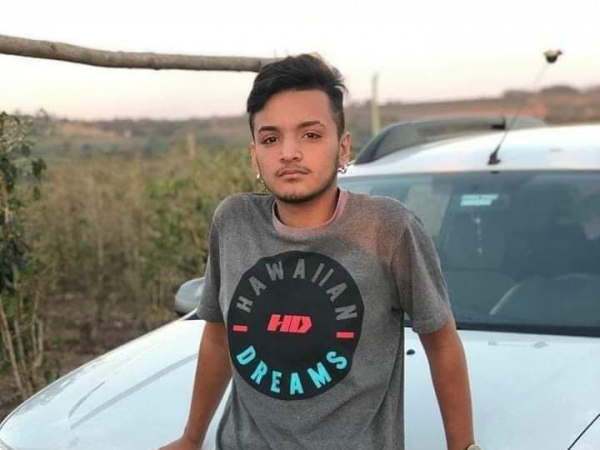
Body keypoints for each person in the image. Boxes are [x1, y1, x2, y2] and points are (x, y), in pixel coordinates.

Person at [159, 54, 478, 450]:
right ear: (254, 154)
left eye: (310, 135)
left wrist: (464, 447)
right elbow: (218, 335)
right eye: (271, 138)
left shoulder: (387, 229)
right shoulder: (233, 221)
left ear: (343, 148)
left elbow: (441, 342)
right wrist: (192, 438)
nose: (289, 152)